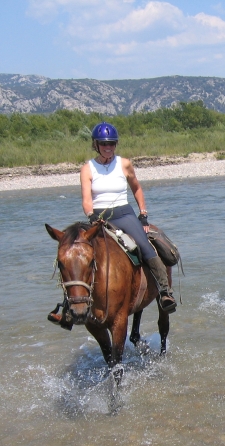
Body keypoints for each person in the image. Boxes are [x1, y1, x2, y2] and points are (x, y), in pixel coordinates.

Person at [48, 121, 176, 326]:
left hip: (124, 214)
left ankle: (164, 292)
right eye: (103, 144)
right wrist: (91, 215)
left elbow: (137, 189)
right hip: (98, 217)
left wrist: (143, 214)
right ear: (96, 145)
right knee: (76, 255)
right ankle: (67, 309)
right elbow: (86, 198)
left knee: (144, 246)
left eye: (111, 144)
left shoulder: (124, 164)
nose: (108, 147)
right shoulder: (87, 169)